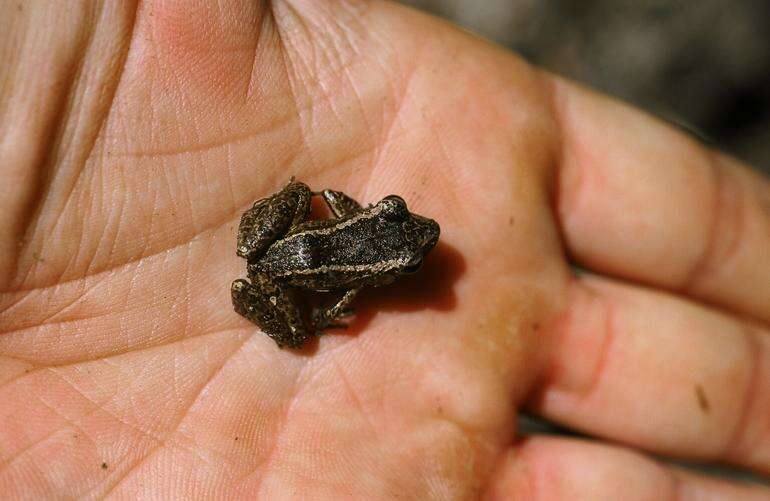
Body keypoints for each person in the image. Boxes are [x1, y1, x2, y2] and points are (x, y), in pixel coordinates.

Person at [1, 1, 768, 498]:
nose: (413, 239)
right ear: (384, 258)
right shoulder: (365, 276)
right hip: (295, 270)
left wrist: (341, 214)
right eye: (400, 250)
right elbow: (346, 288)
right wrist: (333, 308)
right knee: (305, 321)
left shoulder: (357, 218)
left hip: (290, 238)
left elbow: (343, 207)